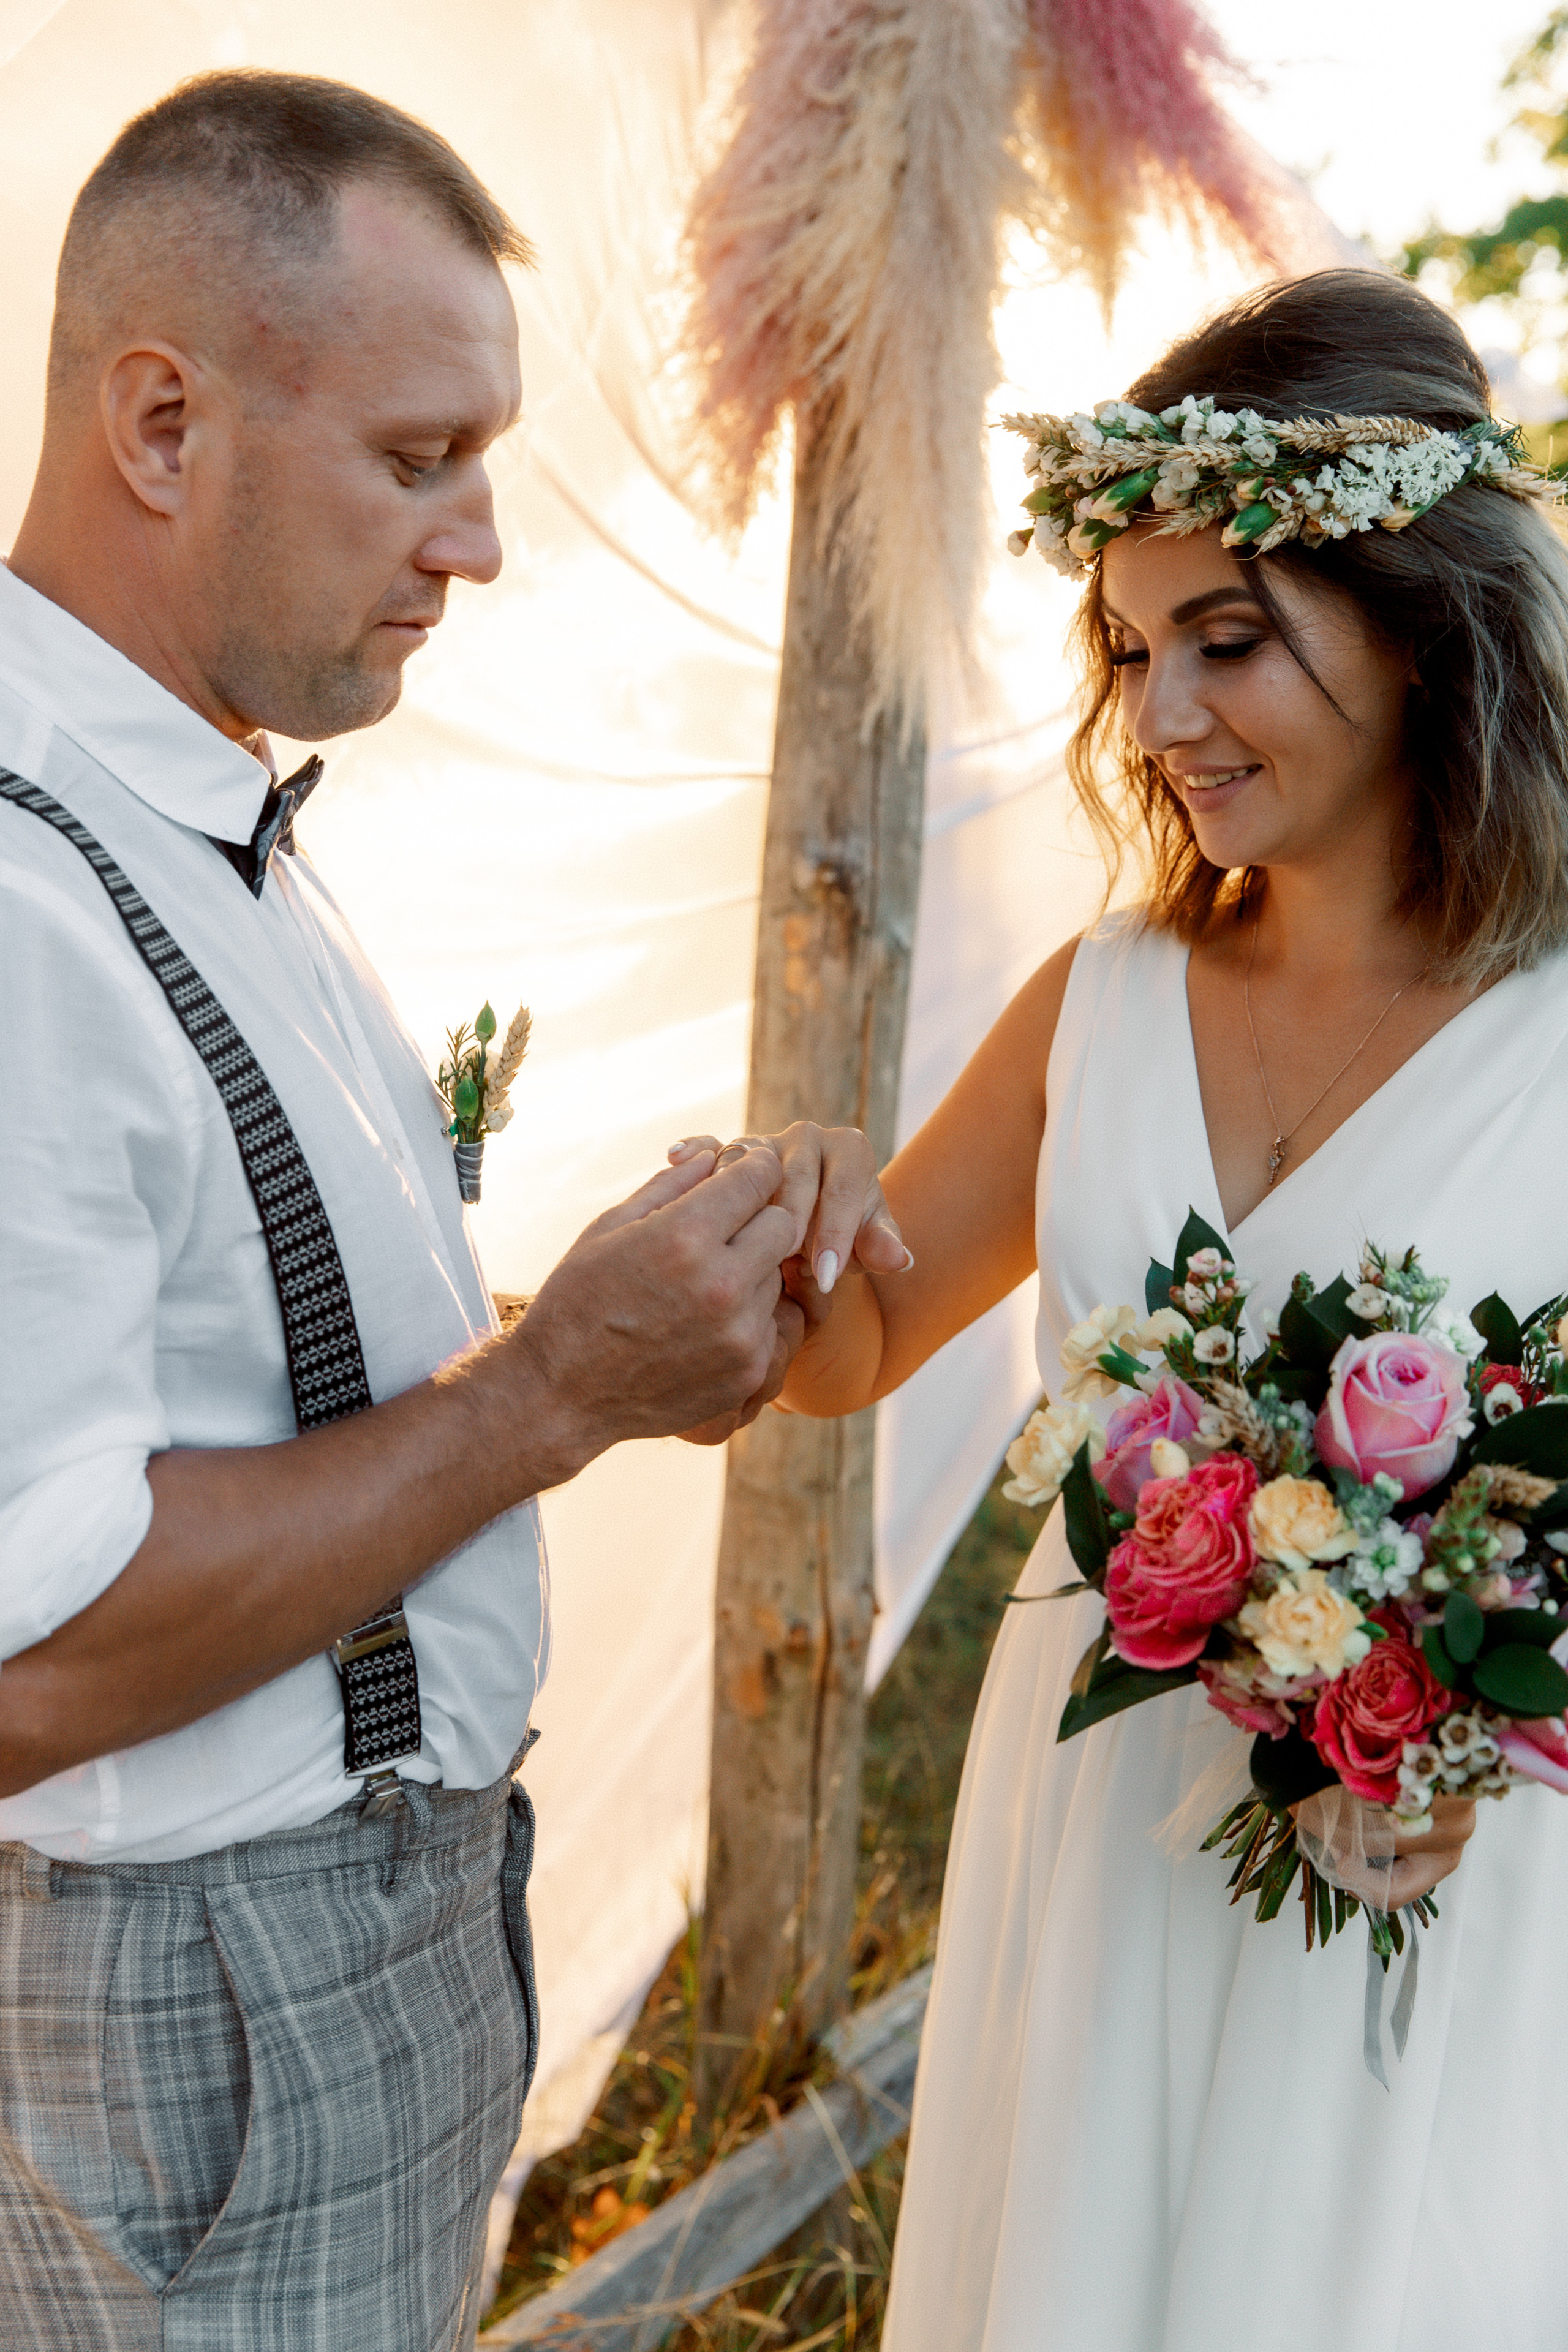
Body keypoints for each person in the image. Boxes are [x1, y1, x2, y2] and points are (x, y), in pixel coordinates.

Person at [0, 69, 910, 2348]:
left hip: (342, 1967)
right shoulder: (19, 903)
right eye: (422, 459)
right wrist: (551, 1395)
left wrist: (620, 1317)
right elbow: (30, 1652)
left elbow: (204, 1357)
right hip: (216, 2010)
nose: (481, 544)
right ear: (162, 423)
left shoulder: (201, 809)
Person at [697, 269, 1568, 2348]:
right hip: (1100, 1825)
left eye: (1229, 641)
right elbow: (842, 1357)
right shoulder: (1102, 1002)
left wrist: (1457, 1705)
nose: (1159, 717)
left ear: (1426, 621)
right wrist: (780, 1212)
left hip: (1443, 1873)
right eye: (1128, 649)